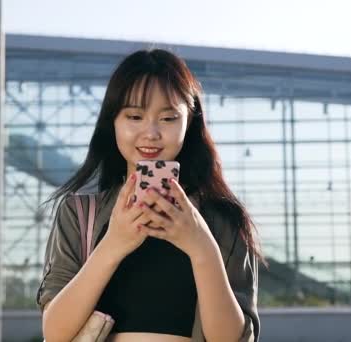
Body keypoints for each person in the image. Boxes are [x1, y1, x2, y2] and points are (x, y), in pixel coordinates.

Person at [36, 49, 267, 342]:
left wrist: (201, 247)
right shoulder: (80, 213)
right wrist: (114, 244)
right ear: (113, 122)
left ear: (190, 122)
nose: (151, 132)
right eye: (134, 116)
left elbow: (234, 339)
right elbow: (54, 333)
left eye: (169, 118)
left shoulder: (223, 219)